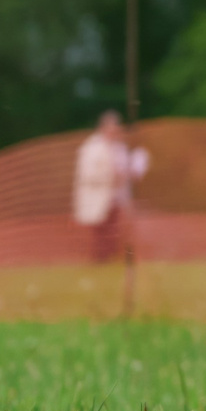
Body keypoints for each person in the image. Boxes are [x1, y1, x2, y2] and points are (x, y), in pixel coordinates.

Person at [72, 111, 150, 305]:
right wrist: (110, 178)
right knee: (100, 231)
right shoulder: (91, 148)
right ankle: (99, 261)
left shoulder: (120, 148)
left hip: (117, 199)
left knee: (116, 230)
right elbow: (87, 174)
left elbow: (129, 171)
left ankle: (112, 259)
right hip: (99, 198)